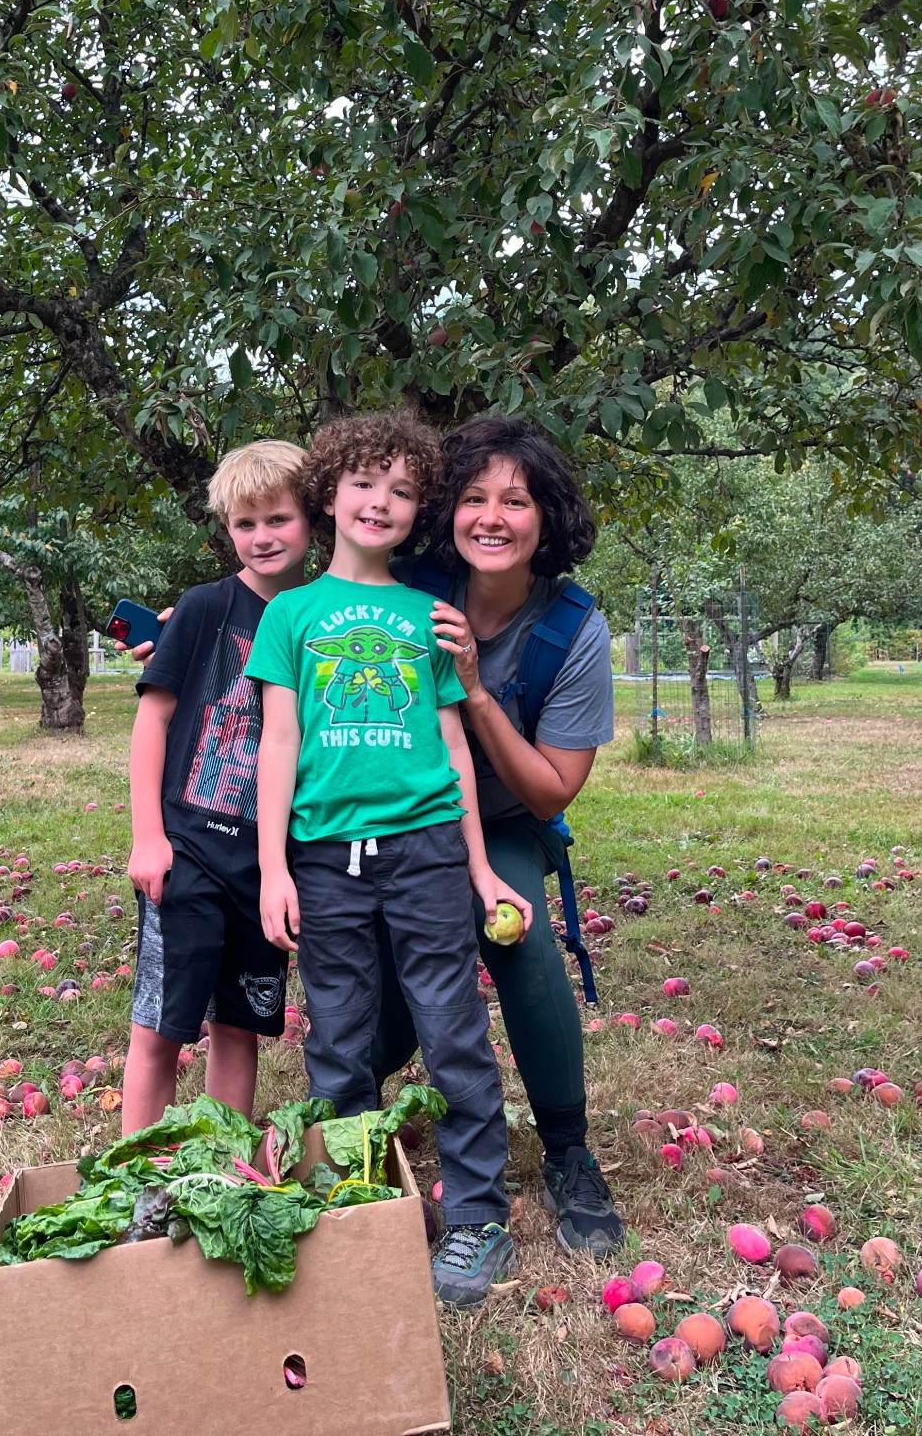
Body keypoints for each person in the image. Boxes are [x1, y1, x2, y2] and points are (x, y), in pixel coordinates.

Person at [245, 410, 534, 1308]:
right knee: (339, 1036)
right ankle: (357, 1200)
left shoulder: (429, 617)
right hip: (325, 859)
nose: (382, 501)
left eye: (404, 491)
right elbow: (278, 744)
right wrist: (273, 868)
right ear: (328, 494)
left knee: (451, 1031)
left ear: (420, 511)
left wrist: (481, 870)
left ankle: (480, 1214)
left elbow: (455, 753)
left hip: (426, 852)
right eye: (365, 483)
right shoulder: (292, 613)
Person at [375, 415, 626, 1257]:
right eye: (474, 497)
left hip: (506, 822)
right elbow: (301, 604)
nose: (492, 517)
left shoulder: (572, 630)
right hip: (396, 821)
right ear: (446, 512)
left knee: (516, 940)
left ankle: (568, 1151)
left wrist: (477, 693)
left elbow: (554, 786)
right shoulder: (402, 584)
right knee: (389, 967)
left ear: (544, 519)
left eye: (514, 500)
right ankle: (349, 1109)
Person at [119, 440, 312, 1135]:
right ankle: (138, 1174)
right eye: (245, 523)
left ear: (314, 520)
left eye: (279, 519)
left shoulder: (321, 624)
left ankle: (224, 1169)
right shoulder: (202, 609)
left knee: (240, 1025)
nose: (262, 537)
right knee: (160, 1029)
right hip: (190, 853)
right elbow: (154, 719)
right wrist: (148, 837)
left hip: (267, 869)